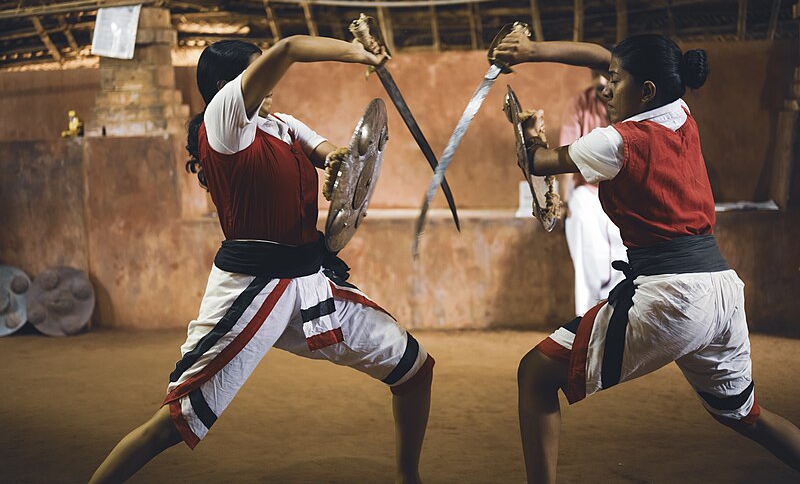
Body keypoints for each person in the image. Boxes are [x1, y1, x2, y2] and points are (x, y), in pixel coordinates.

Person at [89, 37, 434, 484]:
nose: (272, 82)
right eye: (259, 72)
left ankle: (410, 478)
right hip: (252, 287)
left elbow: (329, 151)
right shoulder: (224, 122)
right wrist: (358, 53)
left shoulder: (283, 125)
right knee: (175, 422)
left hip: (310, 282)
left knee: (415, 368)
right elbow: (288, 49)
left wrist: (340, 164)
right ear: (225, 85)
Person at [493, 32, 800, 483]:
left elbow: (538, 162)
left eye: (615, 81)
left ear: (647, 90)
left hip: (672, 298)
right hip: (720, 291)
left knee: (536, 374)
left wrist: (526, 132)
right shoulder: (679, 114)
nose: (605, 88)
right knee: (746, 415)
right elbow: (604, 56)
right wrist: (532, 52)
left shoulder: (617, 141)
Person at [559, 70, 626, 316]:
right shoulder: (580, 103)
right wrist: (563, 200)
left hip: (623, 192)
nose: (600, 83)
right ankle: (586, 318)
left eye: (606, 76)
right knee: (582, 224)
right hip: (588, 191)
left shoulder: (628, 103)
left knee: (623, 254)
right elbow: (565, 155)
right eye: (595, 75)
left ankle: (619, 317)